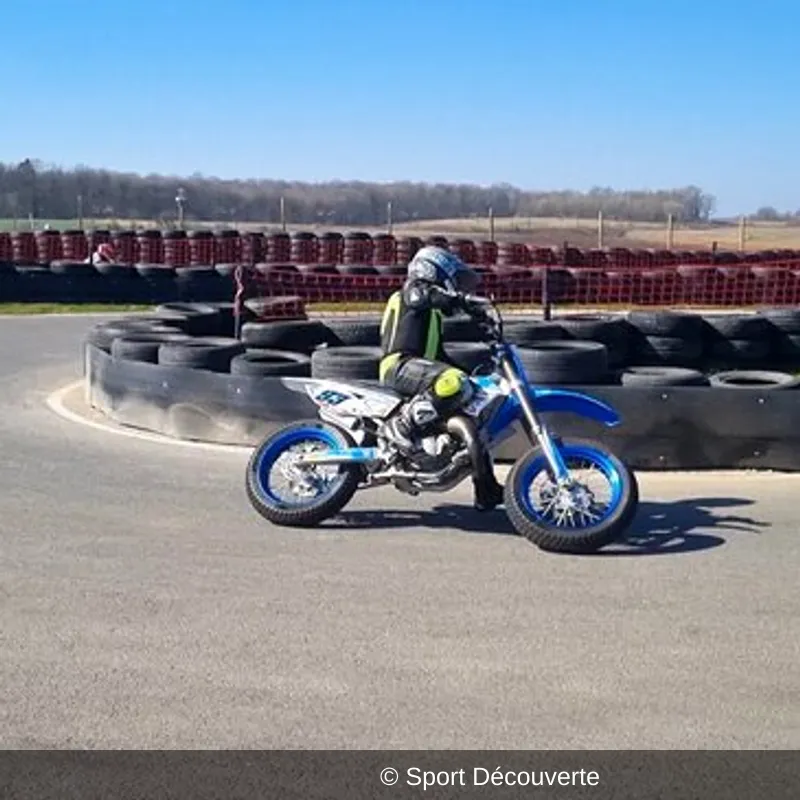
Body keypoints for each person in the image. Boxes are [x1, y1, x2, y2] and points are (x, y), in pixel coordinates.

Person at [378, 245, 505, 511]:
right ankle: (403, 426)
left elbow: (438, 358)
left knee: (472, 410)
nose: (457, 286)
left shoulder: (432, 315)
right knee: (454, 382)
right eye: (453, 279)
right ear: (432, 270)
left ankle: (486, 489)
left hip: (418, 367)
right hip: (399, 365)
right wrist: (464, 301)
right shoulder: (413, 293)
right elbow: (427, 296)